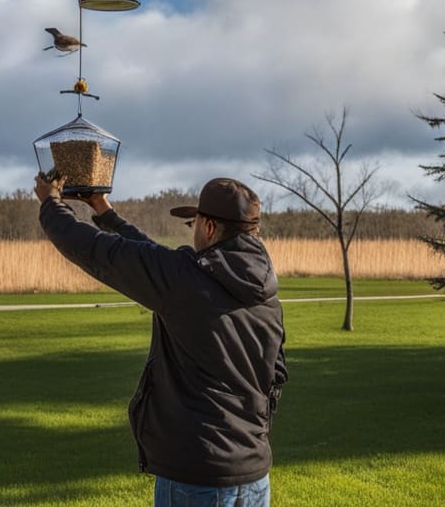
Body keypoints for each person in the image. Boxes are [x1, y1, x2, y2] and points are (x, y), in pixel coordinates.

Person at [34, 173, 287, 507]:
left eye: (193, 224)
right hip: (254, 476)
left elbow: (97, 251)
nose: (193, 231)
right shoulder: (266, 297)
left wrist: (51, 203)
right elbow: (277, 377)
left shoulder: (183, 279)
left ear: (209, 228)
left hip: (195, 475)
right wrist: (104, 211)